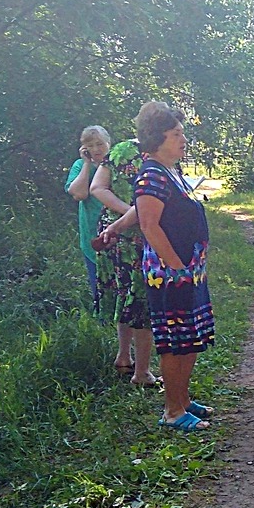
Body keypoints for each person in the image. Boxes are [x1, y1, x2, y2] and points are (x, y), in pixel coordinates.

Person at [100, 102, 216, 430]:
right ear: (157, 139)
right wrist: (177, 265)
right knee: (176, 340)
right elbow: (150, 225)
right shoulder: (150, 175)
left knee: (190, 338)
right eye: (176, 134)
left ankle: (182, 399)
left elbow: (141, 215)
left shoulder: (171, 172)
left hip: (187, 270)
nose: (183, 140)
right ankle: (173, 411)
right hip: (170, 274)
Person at [90, 138, 157, 387]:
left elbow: (98, 187)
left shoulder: (121, 149)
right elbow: (96, 188)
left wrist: (124, 212)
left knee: (124, 291)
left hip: (112, 231)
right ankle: (142, 372)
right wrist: (131, 212)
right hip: (135, 234)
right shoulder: (156, 152)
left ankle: (123, 357)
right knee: (141, 297)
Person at [65, 126, 111, 313]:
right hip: (92, 233)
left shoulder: (118, 164)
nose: (97, 149)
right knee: (98, 285)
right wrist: (86, 164)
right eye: (90, 146)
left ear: (109, 143)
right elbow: (79, 194)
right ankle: (103, 323)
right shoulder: (80, 166)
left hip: (120, 231)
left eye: (100, 144)